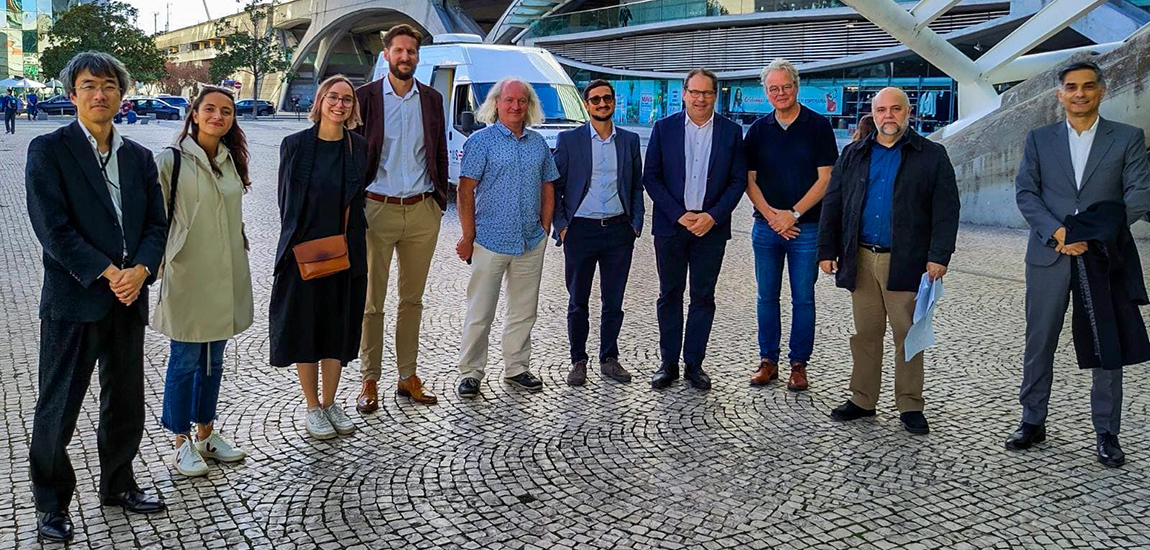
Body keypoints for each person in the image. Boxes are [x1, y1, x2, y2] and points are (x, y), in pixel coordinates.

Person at [25, 51, 168, 543]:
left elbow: (156, 223)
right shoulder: (49, 150)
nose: (99, 94)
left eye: (108, 85)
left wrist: (142, 269)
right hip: (75, 299)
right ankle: (50, 505)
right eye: (89, 86)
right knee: (58, 405)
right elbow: (53, 228)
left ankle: (118, 484)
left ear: (122, 95)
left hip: (129, 299)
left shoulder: (139, 157)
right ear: (73, 95)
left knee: (126, 400)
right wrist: (109, 271)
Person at [1008, 61, 1150, 467]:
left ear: (1102, 91)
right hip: (1049, 256)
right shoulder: (1039, 139)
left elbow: (1140, 194)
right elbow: (1026, 192)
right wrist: (1060, 234)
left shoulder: (1126, 138)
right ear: (1060, 94)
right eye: (1071, 87)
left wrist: (1091, 233)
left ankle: (1108, 433)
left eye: (1088, 86)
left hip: (1104, 258)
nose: (1080, 93)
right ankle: (1032, 421)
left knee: (1108, 344)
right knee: (1039, 342)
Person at [817, 87, 960, 435]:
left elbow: (946, 210)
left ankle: (910, 403)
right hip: (861, 257)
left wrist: (938, 256)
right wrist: (826, 250)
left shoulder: (931, 155)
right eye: (882, 110)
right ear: (873, 113)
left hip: (907, 261)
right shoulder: (854, 154)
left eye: (896, 109)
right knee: (865, 334)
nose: (888, 116)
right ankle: (863, 399)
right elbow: (833, 203)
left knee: (907, 334)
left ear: (909, 112)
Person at [153, 85, 254, 477]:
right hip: (188, 275)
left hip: (226, 274)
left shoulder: (231, 160)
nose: (218, 116)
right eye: (209, 109)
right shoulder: (171, 160)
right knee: (185, 360)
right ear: (193, 113)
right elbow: (154, 220)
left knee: (214, 362)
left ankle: (206, 434)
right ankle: (180, 442)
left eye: (226, 111)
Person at [353, 24, 449, 413]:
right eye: (399, 51)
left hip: (423, 210)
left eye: (411, 51)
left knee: (413, 300)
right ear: (387, 54)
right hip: (376, 208)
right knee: (371, 302)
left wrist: (439, 202)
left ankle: (407, 375)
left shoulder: (431, 99)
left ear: (417, 56)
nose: (405, 57)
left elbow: (439, 149)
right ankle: (369, 379)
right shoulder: (366, 98)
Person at [270, 75, 370, 440]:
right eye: (333, 97)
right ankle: (312, 405)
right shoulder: (294, 145)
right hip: (305, 255)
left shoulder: (357, 146)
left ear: (352, 107)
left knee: (337, 328)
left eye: (346, 99)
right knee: (306, 328)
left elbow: (357, 198)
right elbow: (287, 204)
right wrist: (295, 250)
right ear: (320, 100)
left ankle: (331, 402)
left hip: (346, 253)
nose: (339, 104)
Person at [455, 77, 559, 398]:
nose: (515, 106)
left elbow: (548, 186)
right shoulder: (481, 142)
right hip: (490, 240)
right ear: (497, 103)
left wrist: (545, 226)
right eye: (509, 100)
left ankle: (516, 368)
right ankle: (471, 372)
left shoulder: (538, 144)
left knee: (524, 310)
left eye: (522, 101)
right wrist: (468, 236)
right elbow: (465, 191)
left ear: (529, 106)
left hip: (530, 240)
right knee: (480, 311)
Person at [644, 68, 747, 391]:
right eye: (695, 92)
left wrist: (713, 216)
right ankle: (668, 363)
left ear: (715, 96)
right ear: (684, 93)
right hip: (672, 227)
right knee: (669, 295)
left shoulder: (731, 133)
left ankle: (694, 364)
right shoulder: (664, 129)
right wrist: (678, 214)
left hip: (710, 229)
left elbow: (737, 181)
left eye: (707, 93)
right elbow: (652, 177)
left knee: (703, 297)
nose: (700, 99)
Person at [744, 59, 839, 391]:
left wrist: (793, 214)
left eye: (786, 87)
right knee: (765, 297)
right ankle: (767, 360)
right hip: (766, 228)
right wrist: (773, 216)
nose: (780, 93)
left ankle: (798, 365)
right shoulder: (757, 130)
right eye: (774, 88)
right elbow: (749, 180)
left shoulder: (818, 126)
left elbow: (826, 179)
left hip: (806, 229)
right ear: (766, 92)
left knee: (804, 299)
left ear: (796, 87)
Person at [552, 79, 644, 386]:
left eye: (607, 99)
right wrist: (563, 227)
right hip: (580, 231)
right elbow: (556, 187)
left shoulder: (629, 141)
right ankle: (578, 360)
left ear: (614, 102)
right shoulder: (569, 140)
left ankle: (609, 358)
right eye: (595, 100)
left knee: (613, 300)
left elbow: (635, 186)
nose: (602, 104)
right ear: (586, 104)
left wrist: (636, 224)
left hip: (619, 231)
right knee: (578, 300)